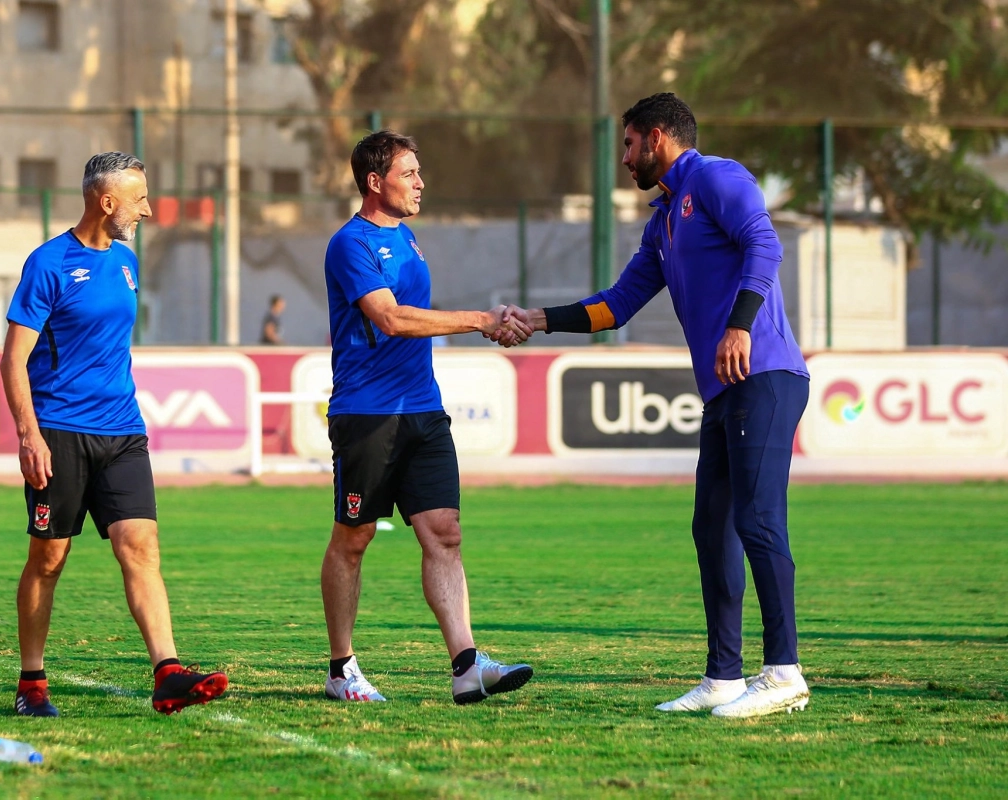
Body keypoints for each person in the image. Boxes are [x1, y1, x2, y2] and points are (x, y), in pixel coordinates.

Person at [503, 93, 811, 718]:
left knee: (756, 521)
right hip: (727, 390)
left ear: (660, 138)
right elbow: (614, 306)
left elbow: (766, 247)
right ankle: (724, 676)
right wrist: (539, 320)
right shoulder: (664, 220)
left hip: (766, 373)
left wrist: (740, 325)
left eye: (628, 143)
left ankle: (784, 672)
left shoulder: (717, 177)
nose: (623, 158)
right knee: (711, 529)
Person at [0, 151, 228, 717]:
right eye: (139, 198)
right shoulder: (47, 263)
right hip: (59, 432)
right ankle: (32, 684)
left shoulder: (126, 263)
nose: (148, 209)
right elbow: (13, 360)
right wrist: (29, 436)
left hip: (122, 431)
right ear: (107, 202)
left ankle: (167, 672)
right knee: (48, 560)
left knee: (141, 547)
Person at [321, 130, 534, 704]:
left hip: (423, 409)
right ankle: (341, 668)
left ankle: (466, 665)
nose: (421, 182)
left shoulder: (409, 238)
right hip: (367, 415)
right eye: (409, 172)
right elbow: (390, 319)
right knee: (355, 536)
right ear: (375, 182)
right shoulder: (350, 244)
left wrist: (488, 322)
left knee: (444, 533)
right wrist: (482, 321)